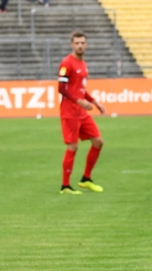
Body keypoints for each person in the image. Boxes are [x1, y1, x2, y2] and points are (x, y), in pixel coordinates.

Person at [57, 31, 106, 195]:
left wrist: (94, 102)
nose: (80, 45)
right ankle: (65, 186)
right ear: (72, 45)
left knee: (98, 141)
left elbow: (80, 89)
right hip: (70, 112)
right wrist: (79, 101)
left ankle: (86, 179)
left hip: (82, 112)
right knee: (73, 146)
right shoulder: (67, 63)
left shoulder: (83, 64)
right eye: (77, 43)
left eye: (82, 43)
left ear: (86, 44)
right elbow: (61, 88)